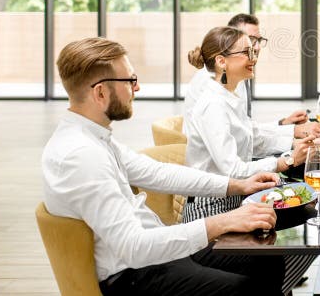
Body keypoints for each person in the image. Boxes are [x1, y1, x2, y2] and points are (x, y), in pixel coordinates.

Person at [42, 37, 286, 296]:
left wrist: (239, 185)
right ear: (100, 92)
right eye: (130, 81)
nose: (137, 88)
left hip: (153, 256)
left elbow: (158, 173)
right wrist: (223, 221)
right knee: (244, 290)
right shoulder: (81, 156)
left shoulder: (94, 137)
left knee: (266, 258)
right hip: (132, 275)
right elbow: (133, 247)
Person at [182, 26, 316, 294]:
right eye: (246, 51)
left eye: (254, 49)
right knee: (285, 252)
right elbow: (232, 169)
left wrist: (295, 141)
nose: (254, 55)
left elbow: (253, 137)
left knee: (308, 234)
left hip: (237, 205)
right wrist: (285, 161)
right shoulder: (212, 104)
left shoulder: (230, 92)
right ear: (222, 61)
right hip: (210, 214)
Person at [184, 13, 320, 144]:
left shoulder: (235, 73)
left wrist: (283, 123)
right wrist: (292, 136)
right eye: (250, 40)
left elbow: (243, 128)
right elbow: (237, 143)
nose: (257, 47)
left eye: (259, 40)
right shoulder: (213, 80)